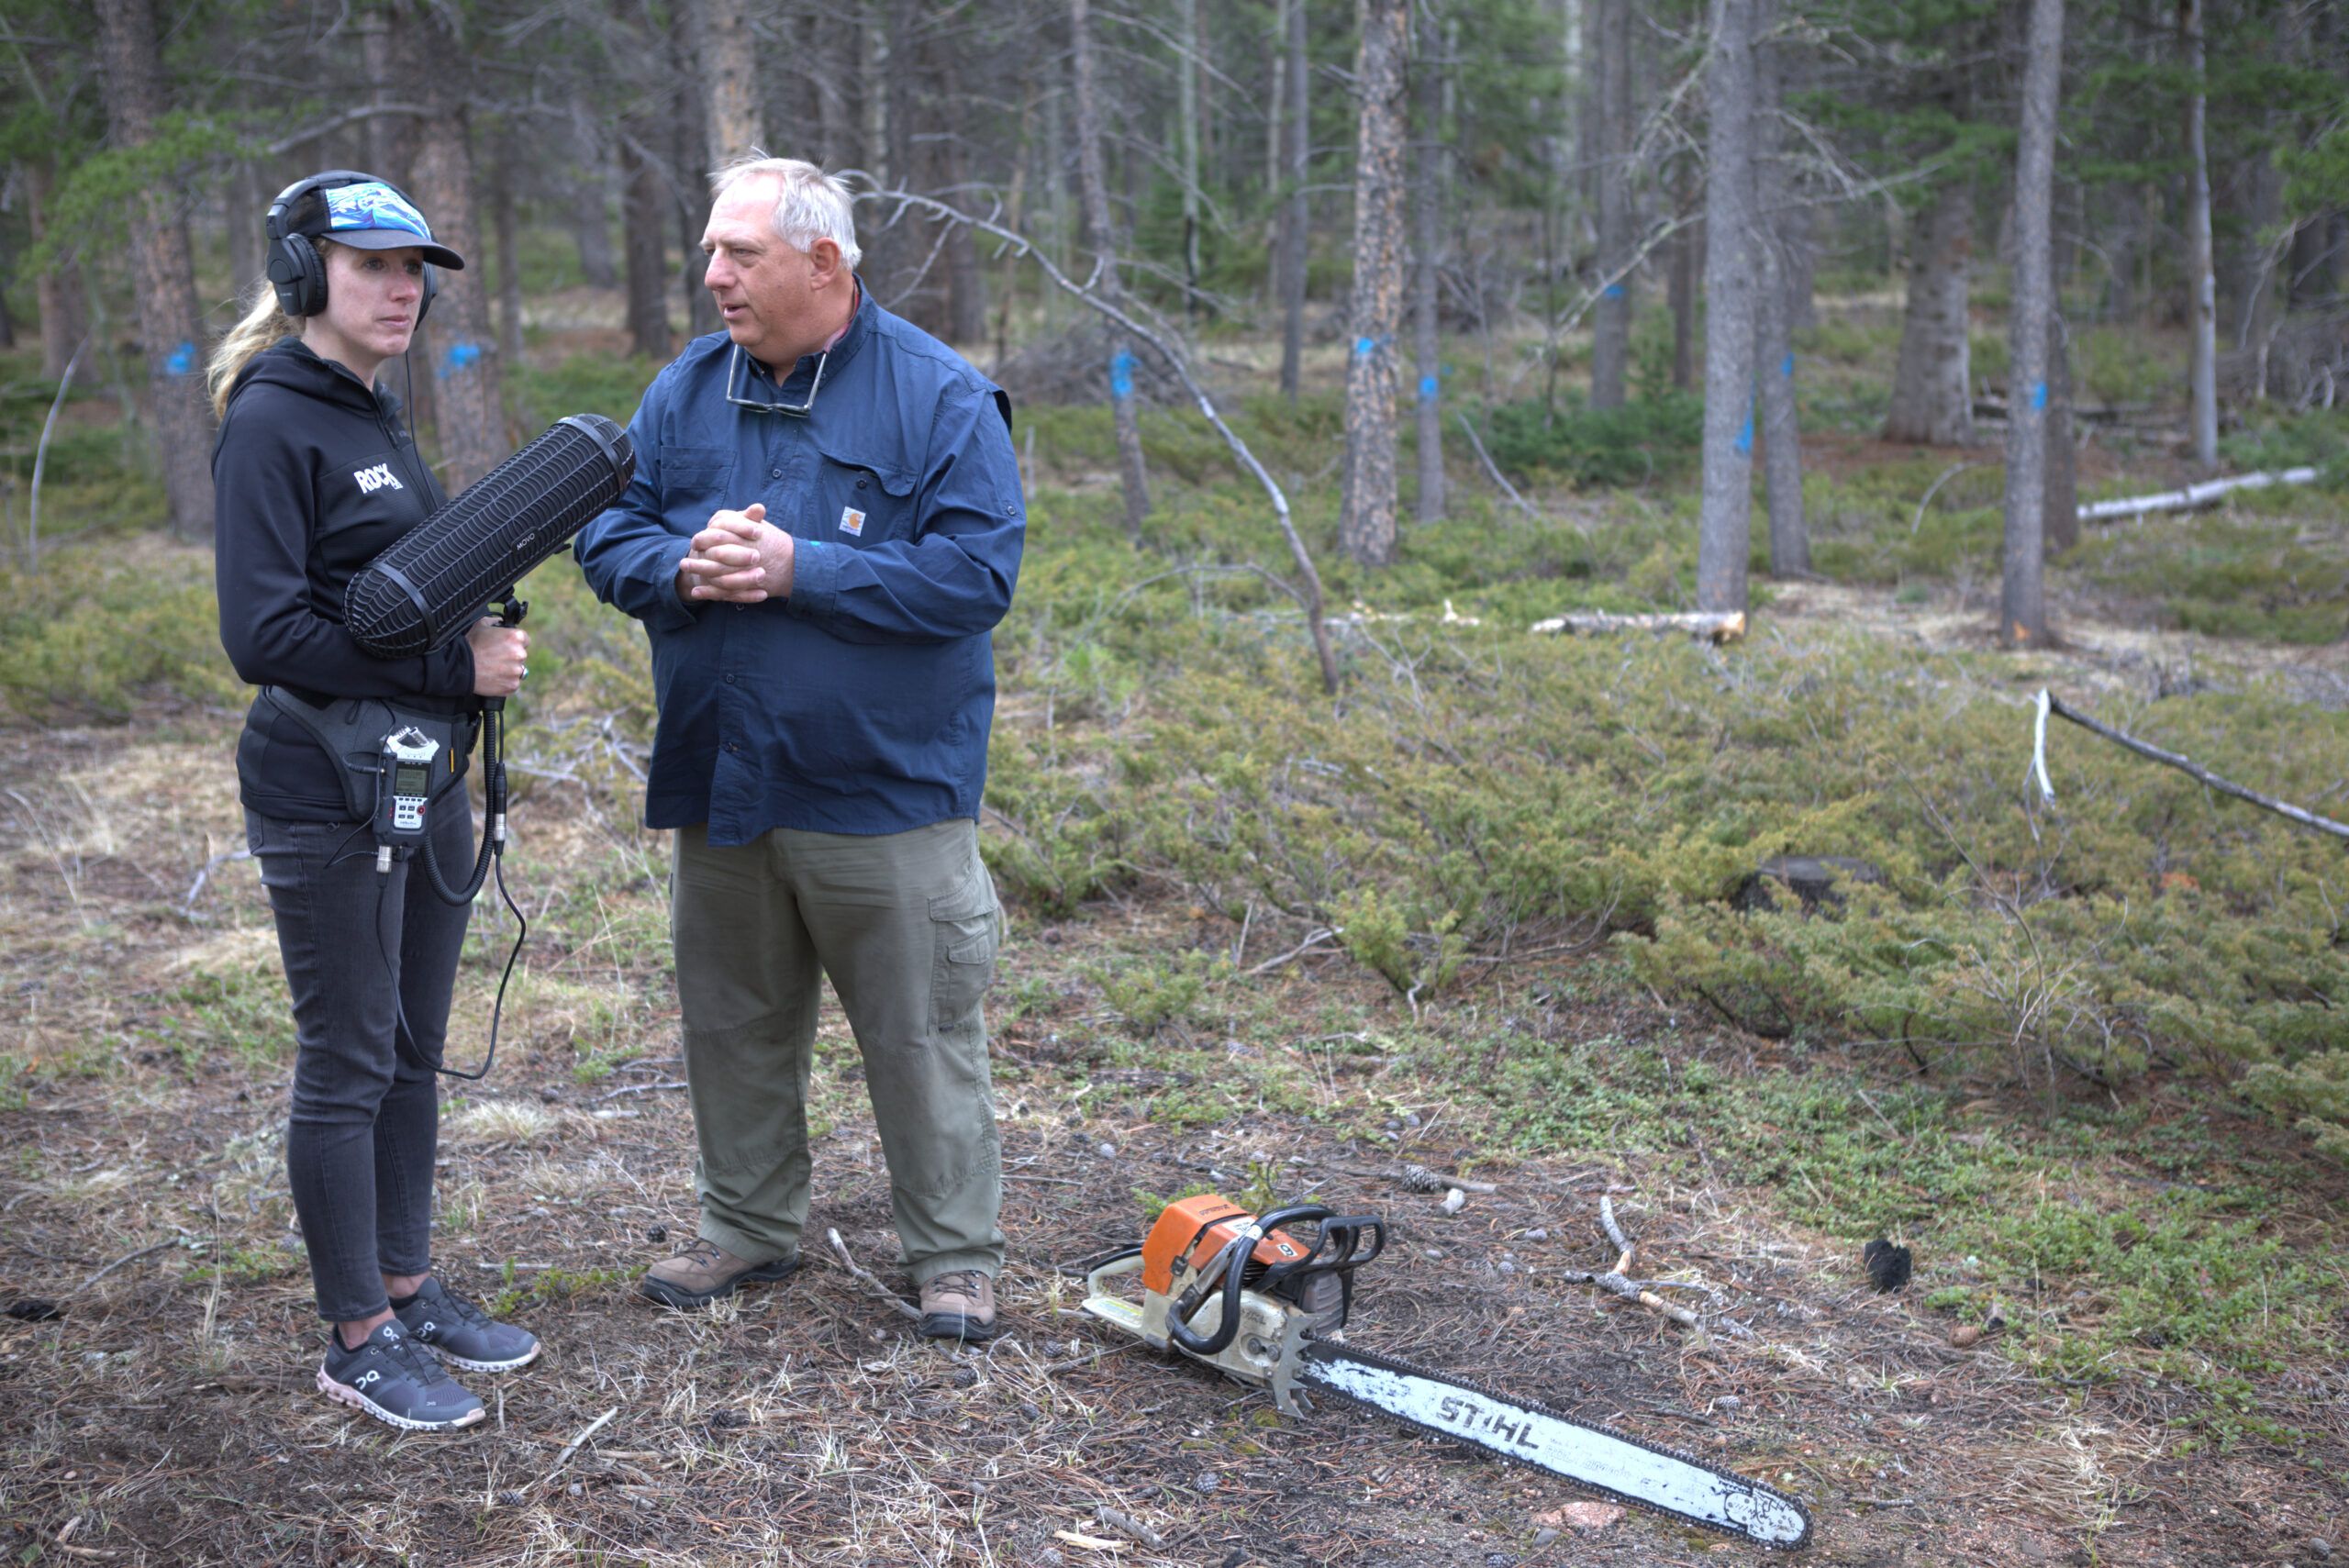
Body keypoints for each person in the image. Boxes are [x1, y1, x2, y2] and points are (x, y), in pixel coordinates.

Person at [573, 156, 1023, 1340]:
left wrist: (799, 567)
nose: (711, 274)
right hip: (725, 774)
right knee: (732, 1020)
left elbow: (977, 577)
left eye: (740, 253)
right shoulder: (685, 389)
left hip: (884, 789)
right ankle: (748, 1225)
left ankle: (954, 1255)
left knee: (918, 1034)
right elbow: (607, 527)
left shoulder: (939, 395)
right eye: (712, 251)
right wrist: (673, 563)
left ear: (824, 262)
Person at [210, 172, 540, 1430]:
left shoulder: (373, 411)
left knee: (412, 1044)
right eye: (372, 267)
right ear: (306, 278)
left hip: (417, 773)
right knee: (346, 1055)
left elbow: (390, 590)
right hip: (320, 788)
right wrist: (447, 666)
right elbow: (265, 631)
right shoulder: (272, 420)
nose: (404, 289)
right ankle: (356, 1333)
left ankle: (408, 1283)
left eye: (416, 270)